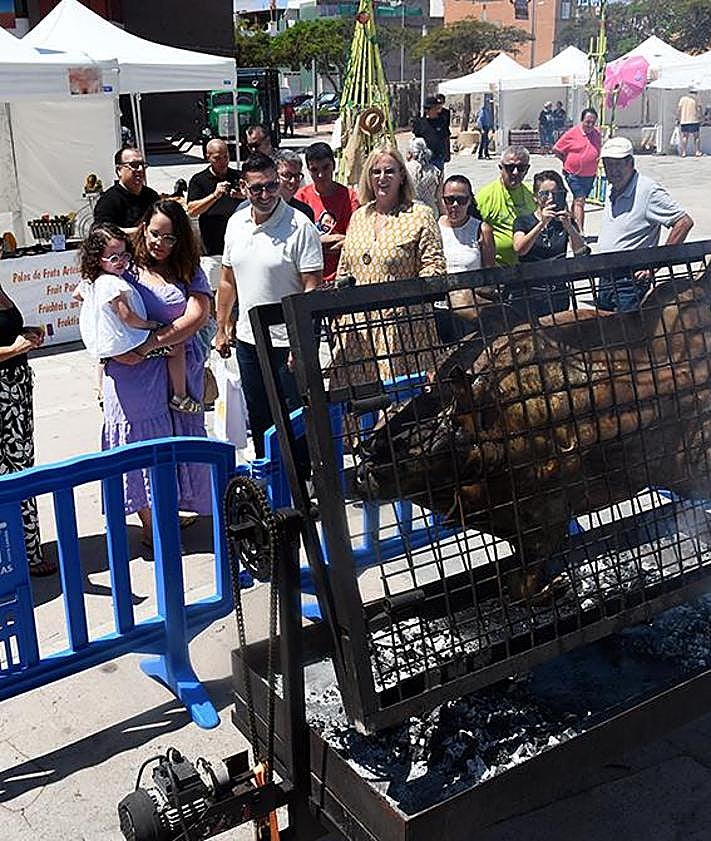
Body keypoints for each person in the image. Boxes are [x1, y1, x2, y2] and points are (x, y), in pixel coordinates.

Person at [102, 200, 213, 549]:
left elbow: (196, 316)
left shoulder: (188, 268)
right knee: (141, 444)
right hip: (132, 373)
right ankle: (153, 528)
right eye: (154, 234)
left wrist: (151, 344)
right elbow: (99, 309)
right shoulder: (124, 266)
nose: (160, 243)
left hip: (174, 366)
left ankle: (169, 512)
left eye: (169, 237)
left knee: (174, 443)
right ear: (143, 228)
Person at [215, 153, 323, 458]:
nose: (266, 195)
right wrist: (222, 328)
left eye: (272, 186)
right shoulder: (235, 223)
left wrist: (301, 344)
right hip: (249, 341)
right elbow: (227, 280)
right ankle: (269, 472)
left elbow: (312, 289)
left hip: (287, 343)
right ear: (243, 188)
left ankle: (303, 477)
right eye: (257, 188)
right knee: (259, 414)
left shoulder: (300, 226)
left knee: (294, 416)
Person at [333, 143, 447, 385]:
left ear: (401, 176)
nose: (382, 178)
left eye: (389, 171)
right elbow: (345, 268)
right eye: (376, 172)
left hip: (403, 327)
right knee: (358, 397)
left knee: (400, 398)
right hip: (358, 328)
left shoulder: (420, 215)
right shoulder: (359, 216)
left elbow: (434, 267)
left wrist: (405, 299)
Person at [76, 223, 200, 415]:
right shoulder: (113, 284)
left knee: (103, 361)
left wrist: (99, 307)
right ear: (97, 259)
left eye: (124, 256)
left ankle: (100, 391)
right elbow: (127, 316)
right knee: (177, 348)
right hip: (128, 344)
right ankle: (180, 395)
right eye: (114, 258)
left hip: (110, 346)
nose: (121, 262)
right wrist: (149, 324)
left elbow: (77, 295)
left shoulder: (92, 281)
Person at [596, 136, 694, 313]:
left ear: (630, 163)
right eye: (609, 165)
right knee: (603, 327)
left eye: (618, 164)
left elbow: (683, 222)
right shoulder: (613, 188)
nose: (613, 170)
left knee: (628, 329)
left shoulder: (647, 191)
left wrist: (656, 264)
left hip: (629, 282)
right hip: (606, 276)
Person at [0, 285, 52, 575]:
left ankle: (25, 551)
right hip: (3, 396)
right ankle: (20, 555)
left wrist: (25, 335)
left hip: (16, 390)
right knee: (11, 473)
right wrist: (14, 349)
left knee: (21, 469)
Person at [512, 170, 589, 317]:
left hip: (558, 293)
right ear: (535, 197)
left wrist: (569, 227)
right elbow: (520, 249)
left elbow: (580, 251)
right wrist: (541, 224)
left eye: (555, 194)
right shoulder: (523, 221)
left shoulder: (566, 221)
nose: (550, 199)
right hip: (530, 292)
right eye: (544, 194)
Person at [436, 174, 495, 342]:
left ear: (469, 201)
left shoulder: (482, 230)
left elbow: (489, 273)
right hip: (439, 308)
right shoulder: (434, 228)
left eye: (461, 200)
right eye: (449, 200)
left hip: (470, 310)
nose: (455, 205)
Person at [295, 142, 359, 283]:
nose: (320, 175)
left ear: (333, 166)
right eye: (314, 170)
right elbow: (298, 243)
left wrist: (316, 243)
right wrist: (334, 239)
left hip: (341, 276)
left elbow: (353, 240)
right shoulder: (301, 198)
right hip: (309, 278)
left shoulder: (349, 197)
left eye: (325, 167)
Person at [186, 139, 242, 292]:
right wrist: (214, 196)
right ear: (208, 157)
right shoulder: (199, 180)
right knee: (212, 290)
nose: (223, 162)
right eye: (217, 158)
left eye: (226, 157)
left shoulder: (238, 176)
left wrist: (242, 196)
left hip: (238, 246)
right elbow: (192, 210)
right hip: (212, 248)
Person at [475, 146, 536, 268]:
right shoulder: (485, 197)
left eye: (521, 168)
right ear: (500, 168)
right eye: (510, 167)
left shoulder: (533, 195)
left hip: (531, 266)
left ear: (527, 169)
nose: (515, 172)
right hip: (499, 268)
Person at [553, 107, 602, 233]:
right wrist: (566, 161)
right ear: (582, 120)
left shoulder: (597, 134)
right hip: (573, 174)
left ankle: (571, 225)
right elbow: (556, 149)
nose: (590, 125)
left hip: (590, 175)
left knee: (578, 200)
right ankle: (580, 232)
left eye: (593, 122)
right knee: (580, 200)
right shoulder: (572, 133)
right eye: (587, 122)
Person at [93, 147, 160, 235]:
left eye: (142, 165)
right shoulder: (108, 201)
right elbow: (102, 231)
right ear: (119, 170)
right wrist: (139, 231)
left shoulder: (152, 196)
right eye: (134, 165)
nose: (140, 169)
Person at [274, 150, 315, 221]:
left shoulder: (305, 212)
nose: (293, 181)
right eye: (287, 175)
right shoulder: (264, 209)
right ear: (274, 175)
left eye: (297, 175)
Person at [405, 137, 442, 216]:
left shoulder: (404, 169)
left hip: (410, 211)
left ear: (410, 153)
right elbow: (438, 197)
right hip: (431, 211)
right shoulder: (436, 171)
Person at [412, 95, 449, 172]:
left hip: (438, 157)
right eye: (426, 109)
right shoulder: (420, 123)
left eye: (429, 108)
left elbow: (446, 138)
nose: (427, 111)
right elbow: (415, 141)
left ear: (436, 108)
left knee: (437, 177)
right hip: (423, 158)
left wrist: (447, 154)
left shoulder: (442, 121)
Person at [677, 89, 702, 158]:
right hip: (694, 120)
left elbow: (679, 109)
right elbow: (699, 109)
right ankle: (697, 151)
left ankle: (684, 152)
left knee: (685, 137)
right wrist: (700, 117)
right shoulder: (696, 99)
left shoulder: (683, 99)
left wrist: (678, 118)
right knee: (696, 137)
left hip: (684, 120)